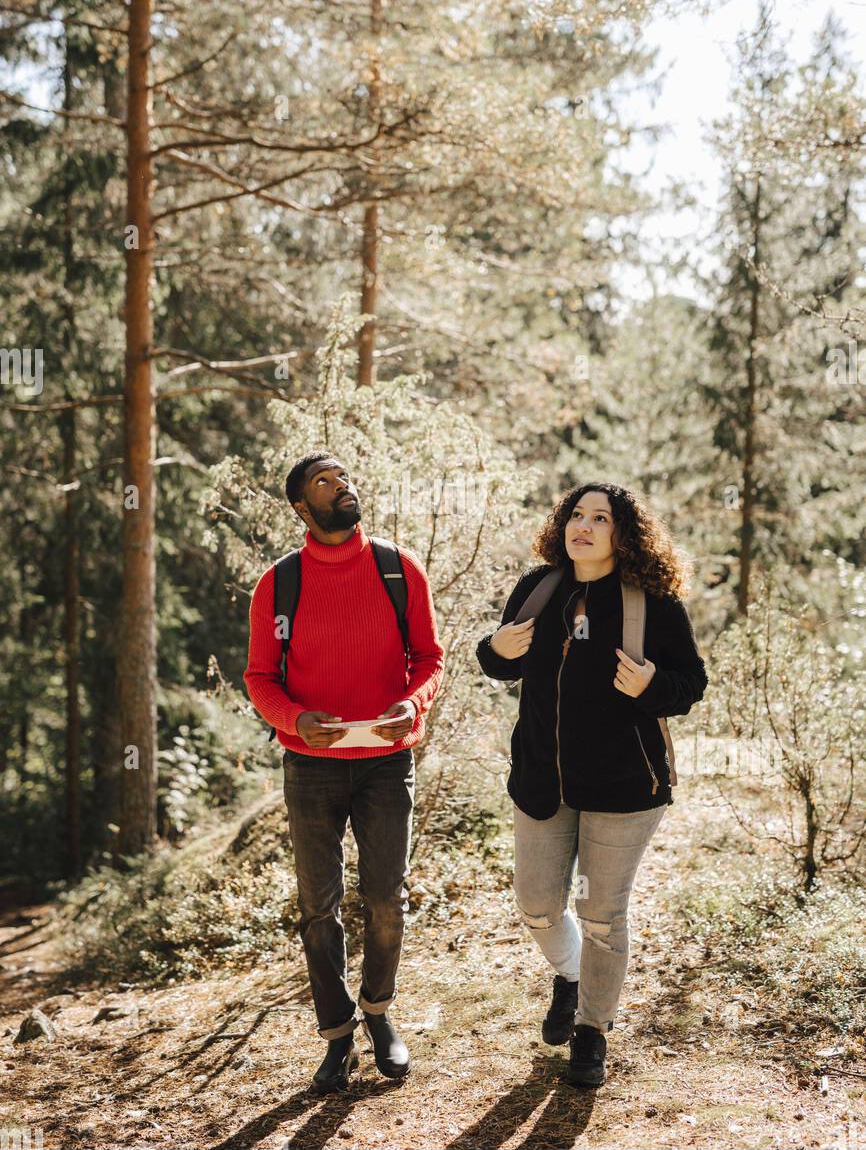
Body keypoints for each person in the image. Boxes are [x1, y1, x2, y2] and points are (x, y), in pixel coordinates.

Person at [476, 482, 708, 1088]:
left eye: (600, 518)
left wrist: (652, 685)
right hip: (542, 782)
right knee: (537, 903)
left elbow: (690, 684)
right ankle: (571, 973)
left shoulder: (651, 601)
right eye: (576, 515)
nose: (584, 526)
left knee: (602, 915)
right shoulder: (538, 588)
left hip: (624, 787)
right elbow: (502, 663)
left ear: (621, 532)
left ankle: (592, 1031)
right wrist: (491, 649)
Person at [244, 453, 444, 1093]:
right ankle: (336, 1037)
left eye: (345, 476)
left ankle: (380, 1015)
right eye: (326, 482)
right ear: (302, 508)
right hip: (311, 769)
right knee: (318, 908)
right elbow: (260, 677)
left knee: (386, 899)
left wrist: (410, 705)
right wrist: (295, 720)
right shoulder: (279, 585)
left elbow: (430, 659)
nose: (344, 485)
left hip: (387, 764)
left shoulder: (398, 568)